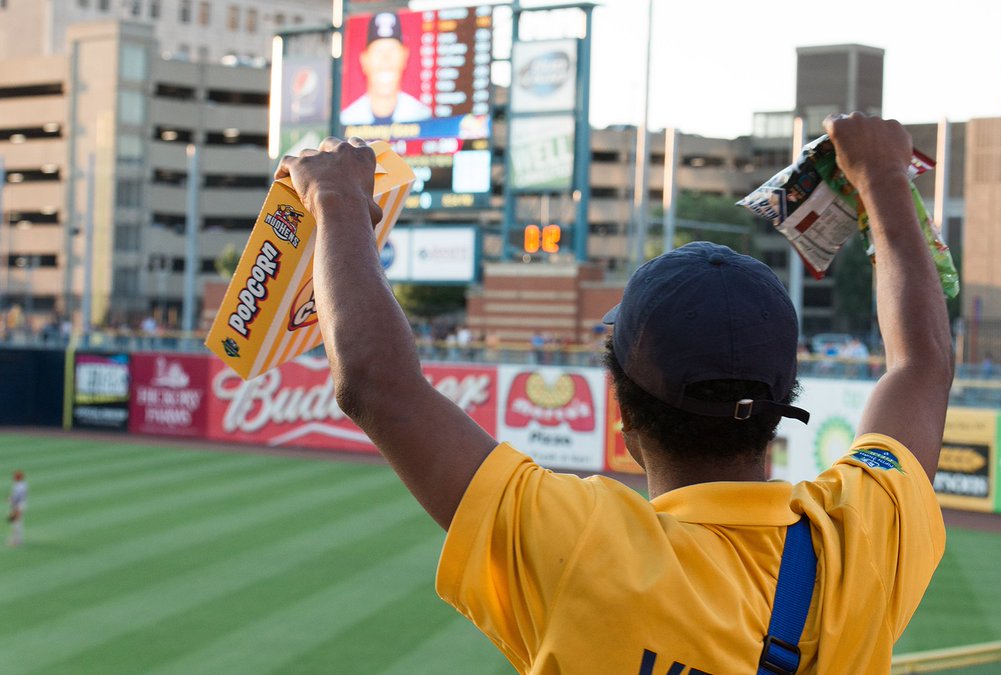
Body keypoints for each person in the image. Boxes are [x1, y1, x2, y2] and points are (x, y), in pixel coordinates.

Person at [275, 113, 954, 673]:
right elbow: (922, 364)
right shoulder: (862, 536)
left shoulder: (581, 548)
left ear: (623, 417)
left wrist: (338, 200)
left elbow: (376, 383)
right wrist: (883, 177)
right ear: (780, 408)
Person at [339, 12, 432, 126]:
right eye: (378, 51)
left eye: (392, 50)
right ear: (364, 59)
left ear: (404, 56)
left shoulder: (423, 115)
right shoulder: (347, 119)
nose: (385, 59)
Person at [7, 470, 27, 547]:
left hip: (18, 506)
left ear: (18, 477)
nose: (13, 478)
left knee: (15, 524)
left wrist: (10, 500)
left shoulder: (19, 486)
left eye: (15, 476)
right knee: (17, 523)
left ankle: (15, 541)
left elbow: (17, 498)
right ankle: (17, 540)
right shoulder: (23, 484)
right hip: (20, 505)